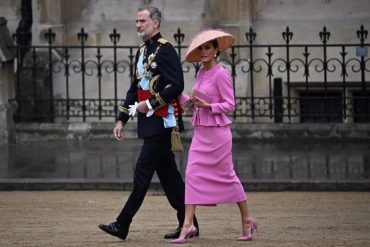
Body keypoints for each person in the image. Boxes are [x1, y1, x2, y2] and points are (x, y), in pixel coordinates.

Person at [98, 5, 198, 240]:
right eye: (136, 21)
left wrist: (151, 104)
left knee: (142, 173)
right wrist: (122, 119)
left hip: (162, 122)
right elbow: (135, 88)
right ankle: (190, 224)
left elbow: (177, 85)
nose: (138, 25)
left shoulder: (166, 50)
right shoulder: (142, 51)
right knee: (170, 179)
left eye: (142, 21)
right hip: (148, 122)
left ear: (156, 23)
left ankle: (122, 224)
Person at [170, 29, 257, 244]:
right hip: (201, 134)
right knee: (191, 173)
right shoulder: (200, 74)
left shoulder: (222, 73)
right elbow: (192, 105)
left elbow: (230, 105)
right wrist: (175, 93)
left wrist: (209, 105)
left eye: (208, 47)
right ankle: (188, 224)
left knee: (228, 176)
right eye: (201, 48)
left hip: (218, 135)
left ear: (216, 50)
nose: (204, 51)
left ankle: (247, 219)